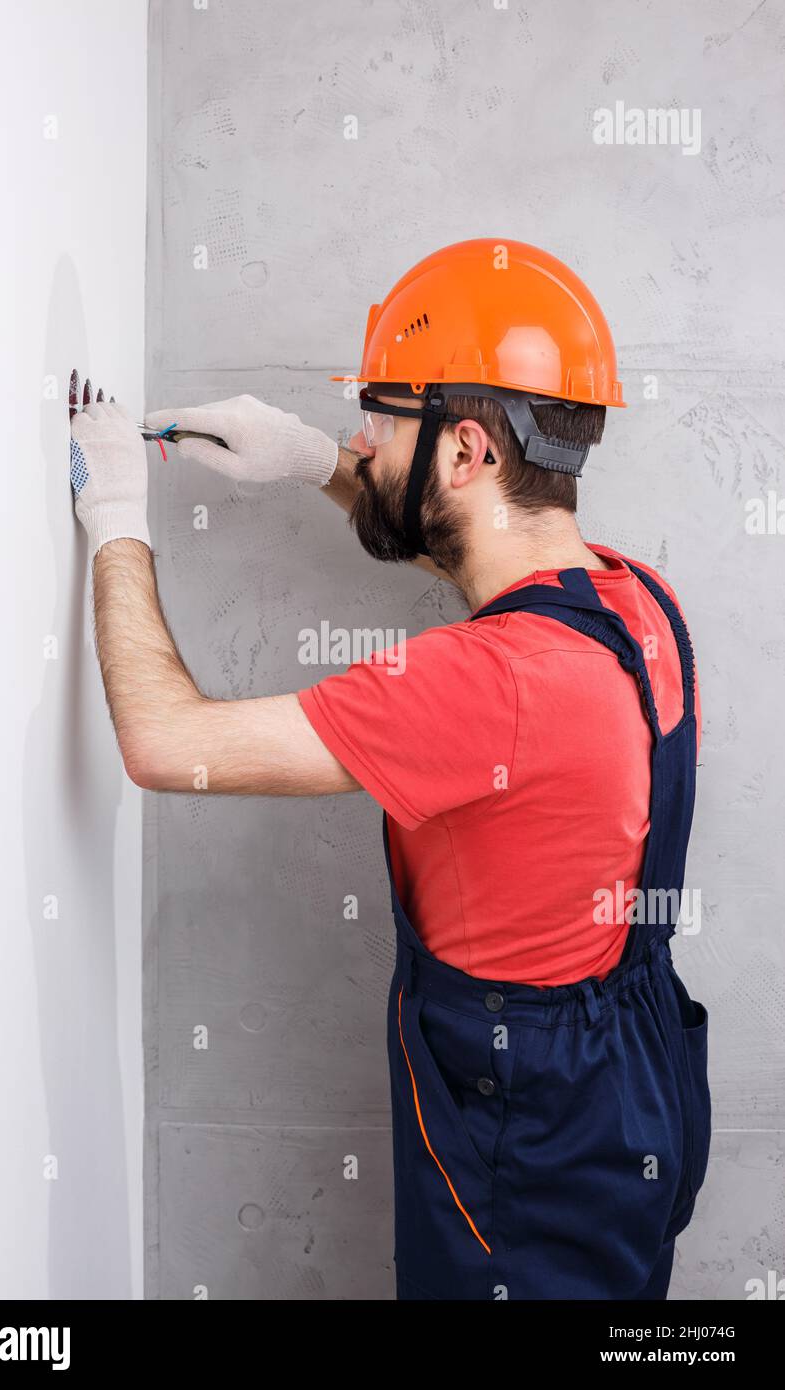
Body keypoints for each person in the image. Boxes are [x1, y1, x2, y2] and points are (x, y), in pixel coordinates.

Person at [69, 238, 711, 1300]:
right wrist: (312, 462)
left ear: (463, 452)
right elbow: (472, 562)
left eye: (379, 418)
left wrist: (116, 521)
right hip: (632, 1093)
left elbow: (163, 743)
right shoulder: (634, 599)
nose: (363, 442)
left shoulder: (478, 682)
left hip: (525, 1146)